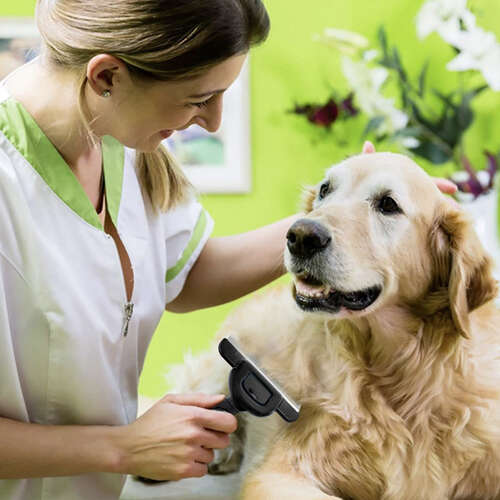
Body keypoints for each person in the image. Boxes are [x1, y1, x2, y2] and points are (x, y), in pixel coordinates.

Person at [0, 1, 457, 499]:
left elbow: (188, 273)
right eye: (200, 97)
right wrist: (122, 448)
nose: (214, 122)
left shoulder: (118, 140)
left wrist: (337, 225)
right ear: (108, 75)